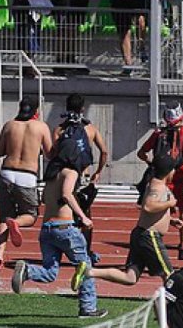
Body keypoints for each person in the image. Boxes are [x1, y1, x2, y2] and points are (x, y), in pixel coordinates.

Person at [10, 118, 108, 319]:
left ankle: (27, 270)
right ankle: (88, 308)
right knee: (86, 266)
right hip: (65, 229)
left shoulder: (51, 176)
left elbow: (46, 198)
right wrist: (83, 216)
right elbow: (66, 194)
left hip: (47, 229)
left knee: (50, 272)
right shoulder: (70, 172)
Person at [71, 154, 180, 289]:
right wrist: (169, 203)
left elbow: (152, 212)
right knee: (169, 274)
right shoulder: (157, 187)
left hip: (141, 234)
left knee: (130, 277)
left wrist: (171, 220)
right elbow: (148, 206)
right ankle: (173, 303)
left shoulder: (156, 185)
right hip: (149, 235)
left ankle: (89, 271)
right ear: (169, 171)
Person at [138, 101, 183, 260]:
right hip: (178, 174)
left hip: (160, 176)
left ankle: (155, 242)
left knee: (159, 208)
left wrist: (152, 162)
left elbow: (141, 152)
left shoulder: (158, 133)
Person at [0, 97, 52, 271]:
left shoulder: (9, 125)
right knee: (30, 215)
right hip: (27, 176)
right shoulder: (41, 127)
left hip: (6, 174)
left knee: (4, 217)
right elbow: (50, 153)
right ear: (36, 111)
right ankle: (17, 223)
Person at [52, 93, 109, 263]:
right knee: (85, 214)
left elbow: (55, 154)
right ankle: (86, 251)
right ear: (83, 108)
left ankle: (61, 250)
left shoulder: (59, 129)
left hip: (65, 175)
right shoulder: (90, 129)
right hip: (83, 176)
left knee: (64, 214)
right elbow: (104, 151)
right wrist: (98, 171)